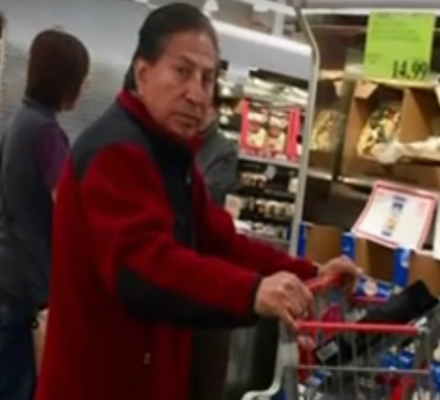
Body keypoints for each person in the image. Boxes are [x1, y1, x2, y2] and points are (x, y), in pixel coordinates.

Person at [34, 3, 360, 400]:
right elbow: (144, 268)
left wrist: (309, 272)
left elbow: (222, 244)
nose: (197, 94)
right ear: (143, 73)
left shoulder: (170, 155)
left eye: (207, 78)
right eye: (182, 72)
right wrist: (252, 292)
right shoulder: (117, 153)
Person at [0, 29, 89, 400]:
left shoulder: (18, 123)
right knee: (18, 390)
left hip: (1, 275)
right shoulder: (47, 134)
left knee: (4, 385)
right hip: (23, 285)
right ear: (65, 81)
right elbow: (69, 210)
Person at [197, 86, 239, 205]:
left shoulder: (225, 150)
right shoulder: (177, 138)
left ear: (214, 112)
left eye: (204, 106)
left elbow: (210, 195)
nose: (198, 112)